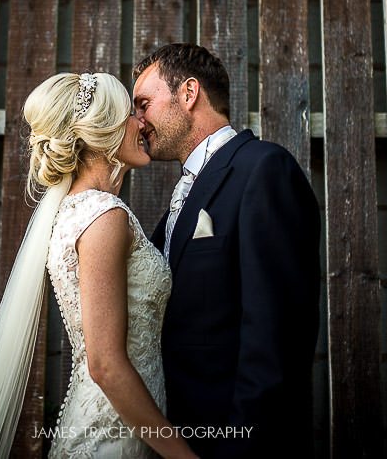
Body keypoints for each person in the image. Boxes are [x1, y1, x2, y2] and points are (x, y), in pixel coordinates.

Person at [0, 72, 196, 459]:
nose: (141, 122)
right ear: (102, 132)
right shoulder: (103, 216)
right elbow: (106, 365)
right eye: (131, 113)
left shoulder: (75, 211)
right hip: (113, 435)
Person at [132, 43, 321, 457]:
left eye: (144, 104)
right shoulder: (185, 192)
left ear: (188, 93)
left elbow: (277, 336)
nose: (138, 121)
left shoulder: (264, 170)